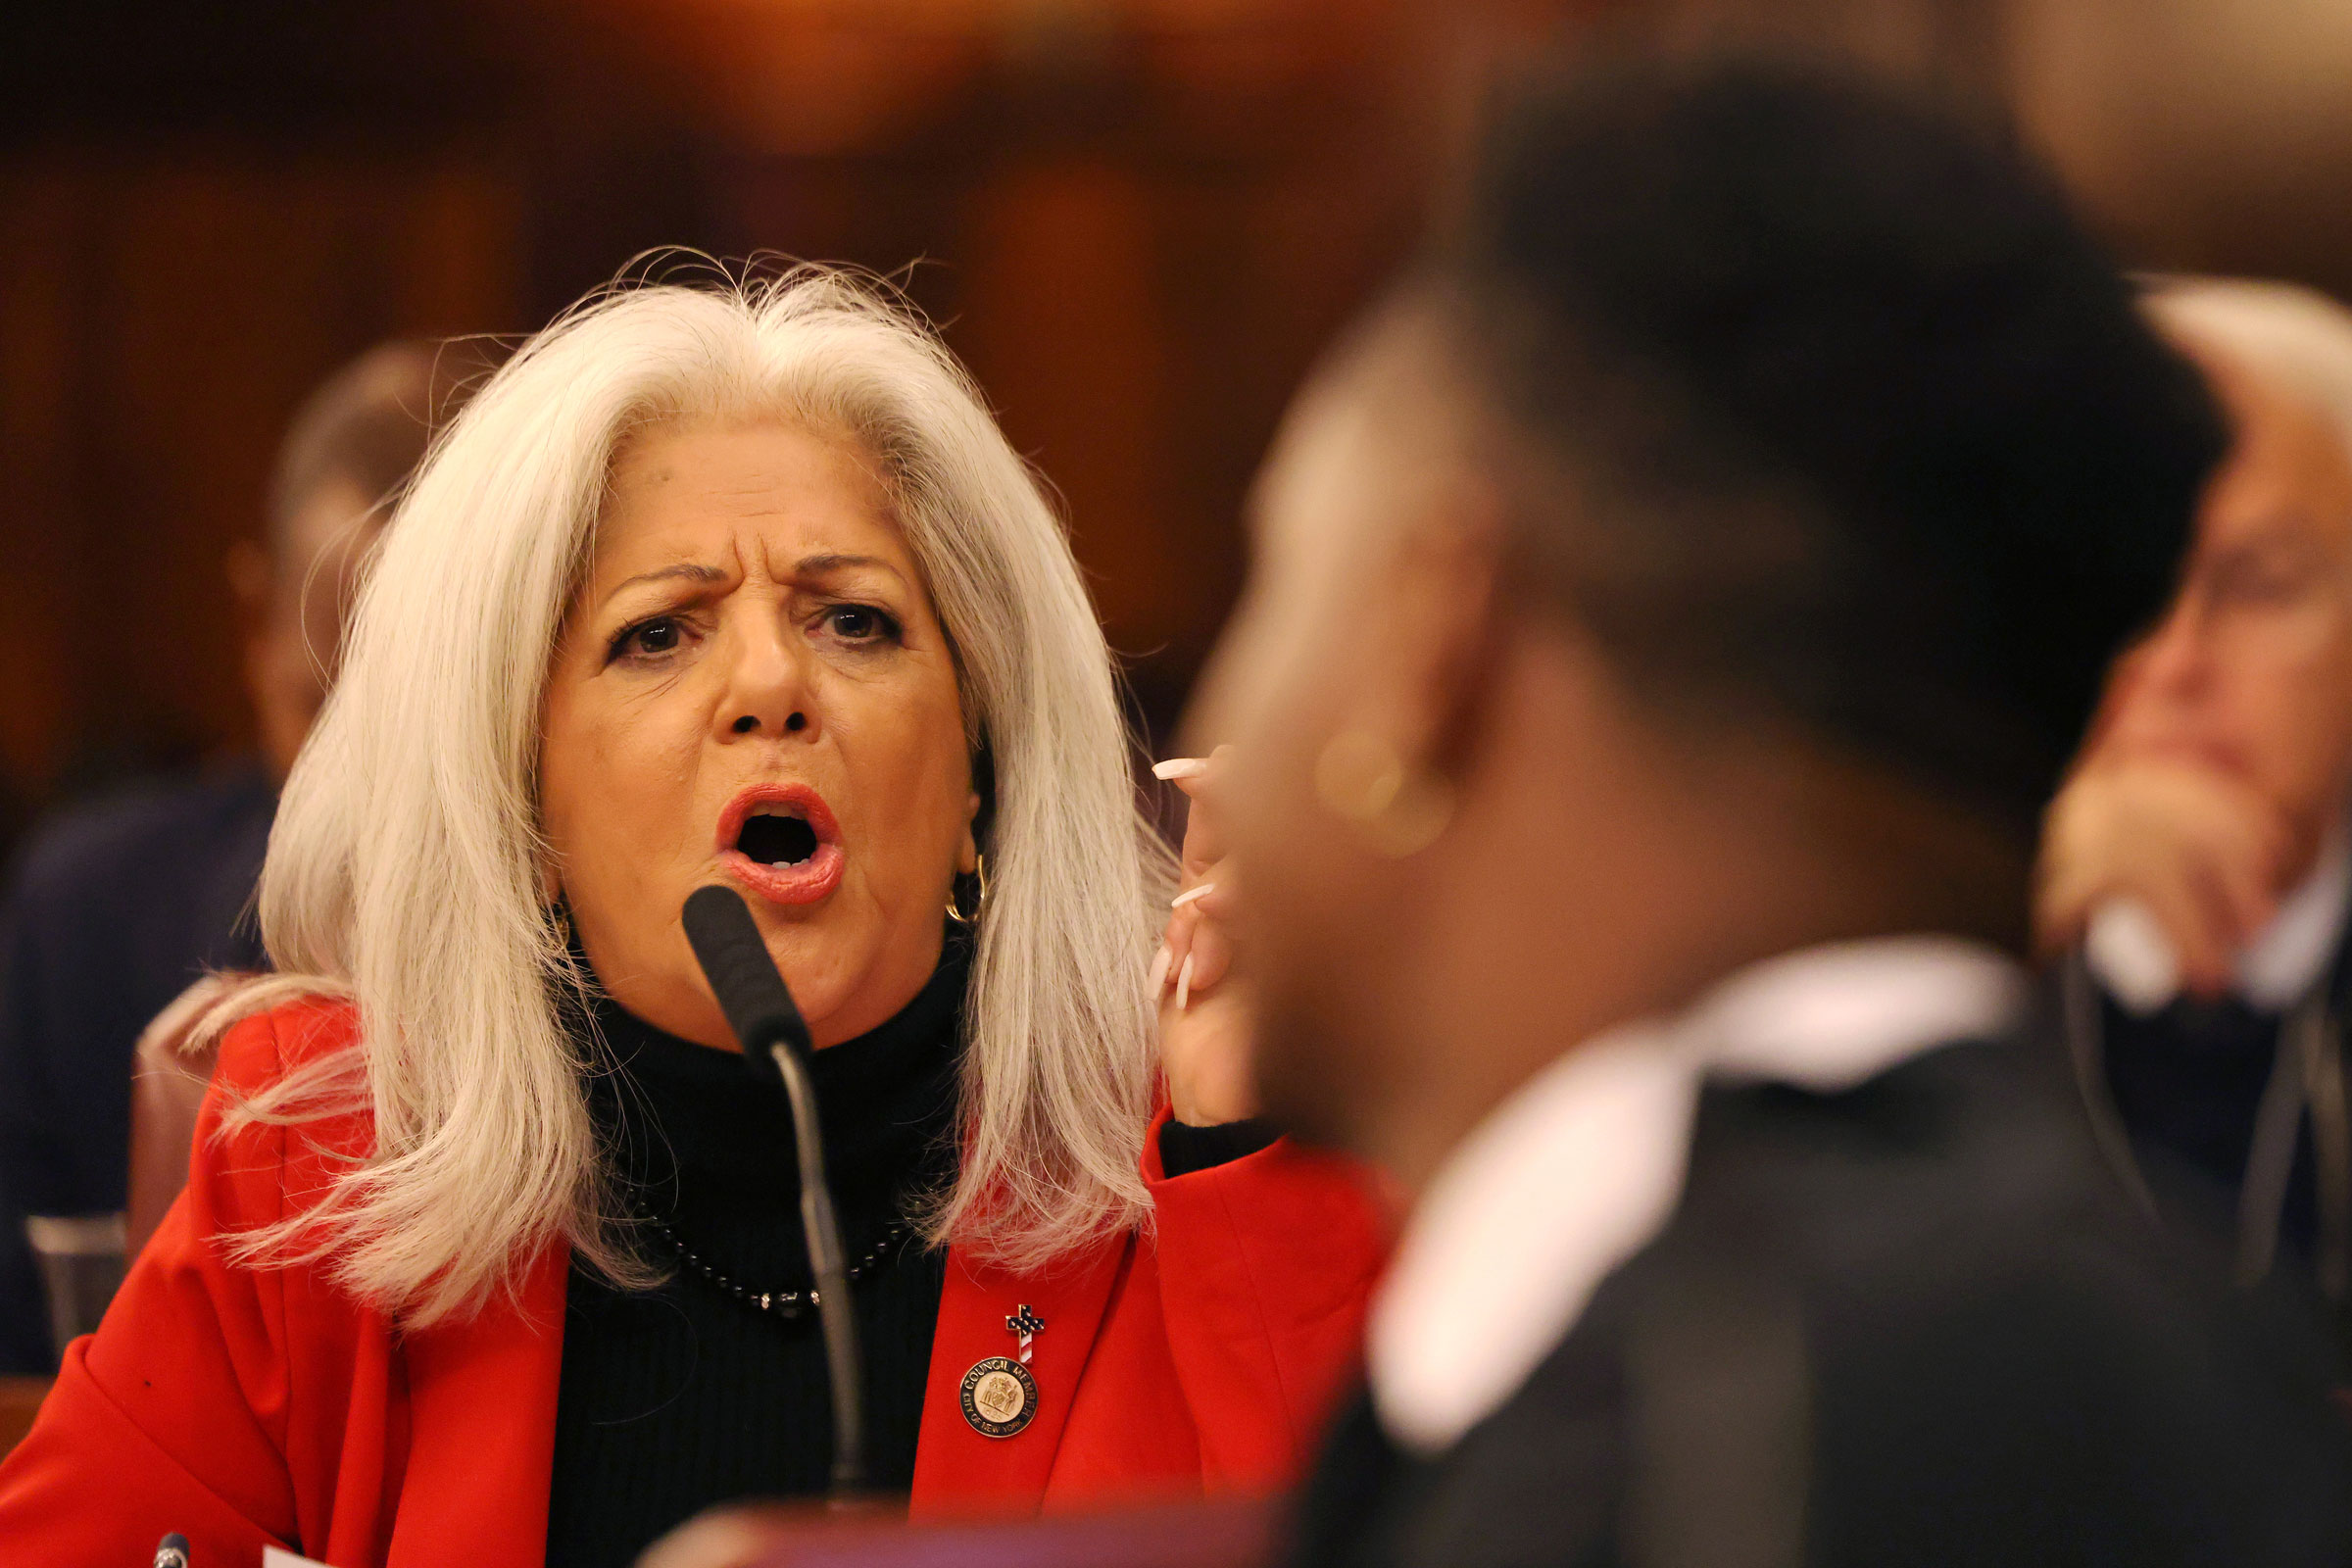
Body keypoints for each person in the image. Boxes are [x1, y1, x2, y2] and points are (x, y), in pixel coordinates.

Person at [0, 270, 1386, 1566]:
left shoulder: (1193, 1169)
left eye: (854, 621)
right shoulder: (319, 1164)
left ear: (979, 780)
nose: (772, 682)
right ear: (522, 812)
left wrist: (1247, 1150)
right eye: (660, 633)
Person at [1167, 60, 2352, 1567]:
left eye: (1273, 577)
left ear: (1431, 630)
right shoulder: (1986, 1334)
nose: (1217, 732)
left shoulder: (1763, 1438)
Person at [0, 342, 448, 1374]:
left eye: (433, 725)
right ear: (257, 626)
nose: (376, 787)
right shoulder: (86, 923)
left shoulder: (642, 966)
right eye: (329, 714)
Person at [2036, 276, 2352, 1365]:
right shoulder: (1914, 941)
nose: (2173, 661)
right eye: (2125, 581)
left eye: (2260, 583)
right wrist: (2001, 910)